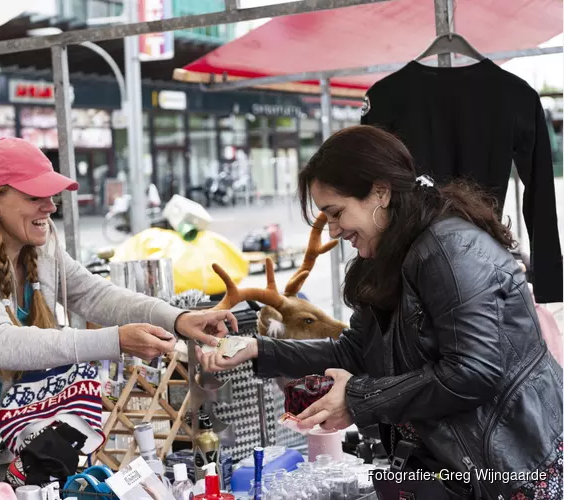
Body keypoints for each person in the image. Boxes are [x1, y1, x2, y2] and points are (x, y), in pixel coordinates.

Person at [196, 126, 563, 500]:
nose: (335, 230)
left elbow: (473, 371)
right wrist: (260, 349)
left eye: (336, 213)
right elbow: (354, 351)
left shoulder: (449, 250)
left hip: (511, 468)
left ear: (381, 192)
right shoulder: (388, 255)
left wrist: (357, 400)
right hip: (449, 468)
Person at [0, 137, 236, 458]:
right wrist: (114, 340)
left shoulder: (39, 239)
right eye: (36, 196)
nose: (50, 206)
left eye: (52, 195)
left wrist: (175, 317)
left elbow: (92, 293)